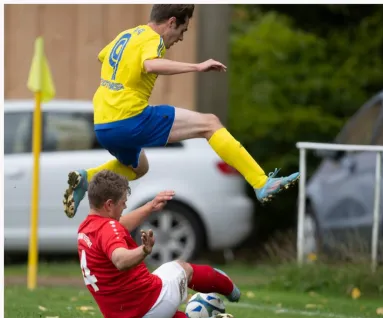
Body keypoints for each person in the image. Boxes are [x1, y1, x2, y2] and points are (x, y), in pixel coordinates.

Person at [63, 4, 300, 219]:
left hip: (103, 124)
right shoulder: (152, 39)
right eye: (182, 31)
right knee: (210, 123)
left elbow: (101, 56)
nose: (180, 38)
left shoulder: (127, 35)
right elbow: (151, 64)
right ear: (172, 22)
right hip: (130, 118)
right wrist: (197, 66)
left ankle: (87, 177)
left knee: (139, 168)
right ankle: (260, 182)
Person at [77, 170, 239, 318]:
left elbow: (119, 226)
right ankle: (231, 289)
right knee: (180, 267)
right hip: (149, 304)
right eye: (123, 203)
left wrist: (150, 207)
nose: (125, 206)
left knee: (161, 311)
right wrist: (144, 250)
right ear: (109, 204)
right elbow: (120, 260)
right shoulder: (108, 228)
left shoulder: (87, 228)